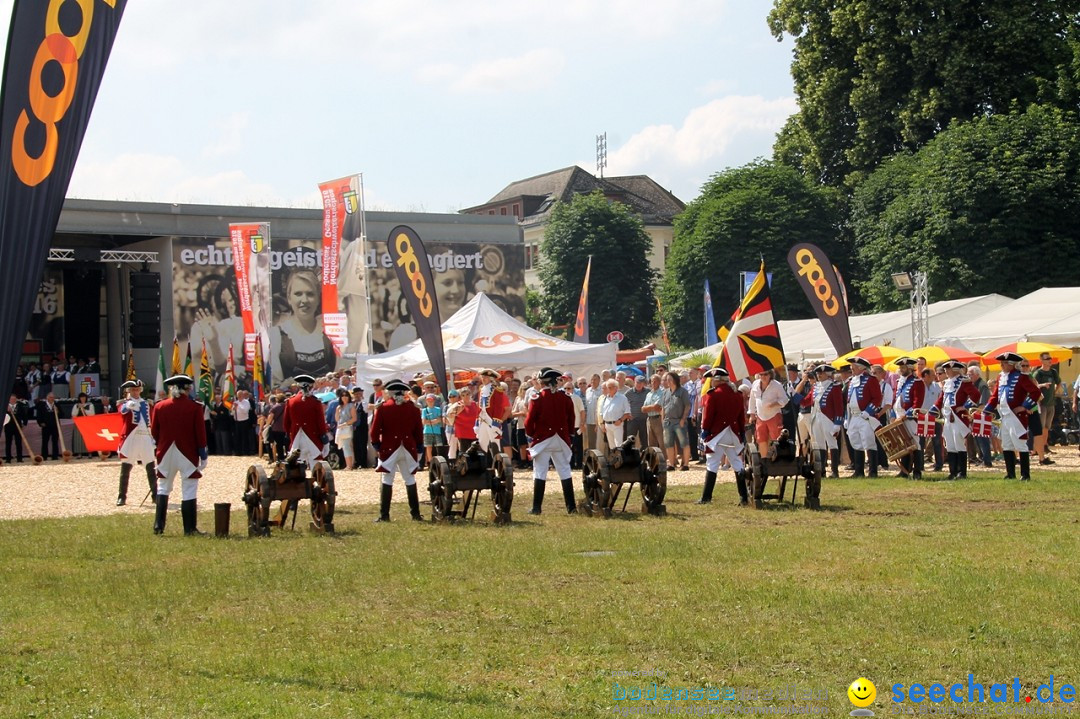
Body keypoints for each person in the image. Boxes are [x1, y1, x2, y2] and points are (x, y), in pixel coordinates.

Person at [150, 375, 208, 535]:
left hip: (165, 452)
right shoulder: (195, 407)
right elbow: (200, 434)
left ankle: (158, 526)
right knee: (189, 488)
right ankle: (189, 528)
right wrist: (203, 454)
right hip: (187, 453)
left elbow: (154, 432)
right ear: (187, 389)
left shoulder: (160, 406)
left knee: (163, 487)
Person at [524, 367, 578, 515]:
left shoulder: (537, 398)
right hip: (561, 439)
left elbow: (529, 421)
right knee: (565, 471)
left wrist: (531, 434)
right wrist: (570, 436)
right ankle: (571, 507)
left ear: (544, 382)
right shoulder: (566, 397)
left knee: (540, 471)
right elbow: (571, 418)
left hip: (542, 439)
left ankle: (536, 508)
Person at [369, 379, 424, 522]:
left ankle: (384, 515)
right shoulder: (413, 408)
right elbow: (419, 430)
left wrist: (377, 445)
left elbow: (374, 431)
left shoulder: (383, 408)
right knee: (410, 479)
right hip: (408, 447)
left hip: (388, 448)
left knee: (387, 479)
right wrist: (419, 445)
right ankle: (415, 514)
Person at [270, 269, 335, 386]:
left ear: (318, 298)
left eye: (310, 294)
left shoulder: (331, 331)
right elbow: (274, 383)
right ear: (289, 298)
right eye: (298, 294)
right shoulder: (277, 335)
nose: (304, 300)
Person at [985, 352, 1042, 481]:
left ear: (1011, 364)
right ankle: (1010, 474)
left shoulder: (1021, 377)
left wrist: (1025, 406)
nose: (1001, 365)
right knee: (1006, 444)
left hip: (1016, 416)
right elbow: (995, 396)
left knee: (1021, 444)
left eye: (1004, 363)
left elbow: (1035, 392)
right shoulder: (1000, 377)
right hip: (1004, 415)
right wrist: (986, 411)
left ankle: (1025, 474)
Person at [697, 368, 747, 505]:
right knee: (737, 464)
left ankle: (706, 498)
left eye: (713, 380)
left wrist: (705, 430)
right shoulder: (738, 395)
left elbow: (708, 417)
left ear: (718, 381)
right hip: (733, 434)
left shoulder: (713, 395)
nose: (712, 382)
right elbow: (741, 417)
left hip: (717, 434)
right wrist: (741, 432)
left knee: (712, 464)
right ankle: (744, 497)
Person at [933, 360, 981, 479]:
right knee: (950, 445)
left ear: (954, 370)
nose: (946, 371)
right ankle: (952, 472)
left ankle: (962, 472)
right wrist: (932, 410)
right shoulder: (947, 383)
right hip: (947, 417)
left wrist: (965, 406)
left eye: (948, 369)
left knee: (959, 444)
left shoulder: (964, 382)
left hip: (958, 417)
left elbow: (976, 395)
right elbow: (941, 399)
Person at [802, 363, 846, 480]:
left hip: (828, 418)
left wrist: (837, 423)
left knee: (832, 444)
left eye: (821, 373)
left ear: (827, 374)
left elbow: (839, 406)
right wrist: (794, 394)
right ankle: (821, 470)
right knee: (820, 445)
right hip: (816, 417)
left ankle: (834, 471)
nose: (819, 375)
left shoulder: (834, 387)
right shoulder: (815, 387)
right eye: (818, 373)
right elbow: (805, 401)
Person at [843, 357, 883, 477]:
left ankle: (872, 471)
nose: (851, 369)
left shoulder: (870, 380)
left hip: (865, 416)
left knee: (869, 442)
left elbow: (877, 398)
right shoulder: (851, 381)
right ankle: (859, 471)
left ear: (861, 368)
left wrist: (868, 411)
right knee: (856, 442)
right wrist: (847, 417)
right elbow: (848, 401)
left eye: (853, 367)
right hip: (854, 416)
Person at [282, 374, 330, 467]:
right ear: (311, 386)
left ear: (298, 386)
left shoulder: (290, 401)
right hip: (313, 437)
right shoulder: (315, 402)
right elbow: (320, 423)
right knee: (316, 463)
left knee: (295, 464)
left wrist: (289, 435)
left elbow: (286, 423)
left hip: (296, 437)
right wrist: (324, 439)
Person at [891, 358, 926, 479]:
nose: (901, 369)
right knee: (903, 444)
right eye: (900, 367)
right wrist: (893, 415)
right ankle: (905, 470)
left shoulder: (917, 382)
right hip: (899, 417)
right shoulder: (900, 381)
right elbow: (896, 400)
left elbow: (917, 403)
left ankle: (917, 471)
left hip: (910, 418)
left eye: (904, 367)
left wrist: (906, 415)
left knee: (915, 444)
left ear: (910, 368)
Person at [748, 369, 789, 460]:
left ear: (770, 374)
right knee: (761, 439)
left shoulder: (777, 385)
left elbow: (785, 399)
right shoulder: (755, 384)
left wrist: (775, 404)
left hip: (774, 415)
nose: (763, 377)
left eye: (765, 374)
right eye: (761, 374)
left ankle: (777, 459)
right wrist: (752, 414)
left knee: (776, 438)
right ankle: (764, 460)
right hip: (760, 416)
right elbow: (752, 399)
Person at [1031, 352, 1062, 465]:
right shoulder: (1038, 373)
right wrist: (1043, 386)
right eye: (1047, 358)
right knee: (1040, 427)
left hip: (1051, 403)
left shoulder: (1053, 372)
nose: (1050, 360)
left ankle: (1044, 446)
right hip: (1041, 404)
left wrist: (1054, 391)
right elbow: (1033, 386)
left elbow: (1059, 382)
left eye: (1050, 358)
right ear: (1042, 361)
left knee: (1047, 427)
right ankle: (1036, 449)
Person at [475, 368, 510, 452]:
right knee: (482, 443)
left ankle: (497, 463)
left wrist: (496, 422)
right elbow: (479, 408)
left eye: (485, 377)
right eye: (482, 377)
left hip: (491, 419)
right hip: (482, 419)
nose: (483, 379)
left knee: (495, 443)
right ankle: (485, 464)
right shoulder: (481, 389)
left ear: (491, 379)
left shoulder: (497, 390)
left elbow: (498, 407)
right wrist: (476, 422)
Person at [599, 378, 632, 454]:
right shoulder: (605, 399)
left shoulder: (622, 398)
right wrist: (602, 424)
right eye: (608, 387)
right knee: (611, 446)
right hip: (607, 425)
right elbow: (602, 413)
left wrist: (620, 420)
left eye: (610, 387)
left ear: (616, 387)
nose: (608, 389)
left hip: (617, 424)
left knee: (619, 445)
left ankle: (620, 462)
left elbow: (627, 412)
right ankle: (614, 462)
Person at [450, 388, 479, 459]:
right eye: (463, 395)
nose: (465, 396)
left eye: (467, 394)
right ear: (460, 396)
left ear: (470, 395)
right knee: (464, 451)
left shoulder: (475, 404)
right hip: (462, 432)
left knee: (474, 451)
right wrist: (458, 411)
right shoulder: (457, 405)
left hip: (474, 432)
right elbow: (450, 415)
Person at [624, 375, 649, 451]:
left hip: (644, 419)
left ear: (644, 384)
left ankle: (644, 456)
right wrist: (627, 414)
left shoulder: (648, 391)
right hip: (632, 420)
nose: (639, 385)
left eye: (641, 383)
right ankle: (630, 456)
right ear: (634, 382)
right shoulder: (629, 392)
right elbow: (623, 404)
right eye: (637, 383)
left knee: (644, 440)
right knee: (630, 439)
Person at [420, 393, 445, 467]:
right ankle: (430, 463)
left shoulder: (438, 409)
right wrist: (435, 421)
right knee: (429, 447)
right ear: (426, 401)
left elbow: (440, 419)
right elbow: (424, 422)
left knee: (438, 447)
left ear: (434, 401)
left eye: (431, 400)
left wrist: (430, 421)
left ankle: (439, 462)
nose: (430, 402)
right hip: (427, 431)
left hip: (436, 431)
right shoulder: (424, 410)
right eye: (428, 400)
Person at [67, 392, 95, 458]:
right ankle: (79, 453)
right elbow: (73, 415)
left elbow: (92, 414)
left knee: (88, 438)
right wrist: (78, 408)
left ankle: (89, 453)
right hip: (79, 423)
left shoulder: (90, 405)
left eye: (84, 397)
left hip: (87, 423)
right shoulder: (76, 405)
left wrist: (84, 409)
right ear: (79, 398)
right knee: (78, 438)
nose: (83, 399)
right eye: (81, 397)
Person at [335, 391, 357, 470]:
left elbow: (354, 418)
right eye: (343, 396)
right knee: (345, 446)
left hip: (347, 428)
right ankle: (349, 464)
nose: (344, 397)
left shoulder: (351, 406)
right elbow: (337, 419)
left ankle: (349, 465)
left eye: (346, 395)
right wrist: (337, 410)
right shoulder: (340, 407)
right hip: (341, 428)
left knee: (347, 446)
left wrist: (345, 424)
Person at [36, 392, 61, 461]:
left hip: (55, 426)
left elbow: (62, 414)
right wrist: (40, 423)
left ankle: (55, 456)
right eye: (50, 397)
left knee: (55, 441)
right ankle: (44, 456)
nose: (52, 399)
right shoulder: (42, 405)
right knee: (45, 441)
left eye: (53, 397)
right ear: (47, 398)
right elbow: (39, 415)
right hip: (46, 426)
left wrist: (58, 411)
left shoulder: (56, 405)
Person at [4, 394, 28, 463]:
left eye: (14, 399)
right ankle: (8, 459)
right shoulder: (5, 406)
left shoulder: (20, 406)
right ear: (9, 400)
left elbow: (24, 415)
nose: (13, 401)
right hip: (8, 427)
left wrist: (24, 424)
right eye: (11, 399)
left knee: (18, 443)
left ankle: (19, 458)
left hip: (18, 428)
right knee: (8, 443)